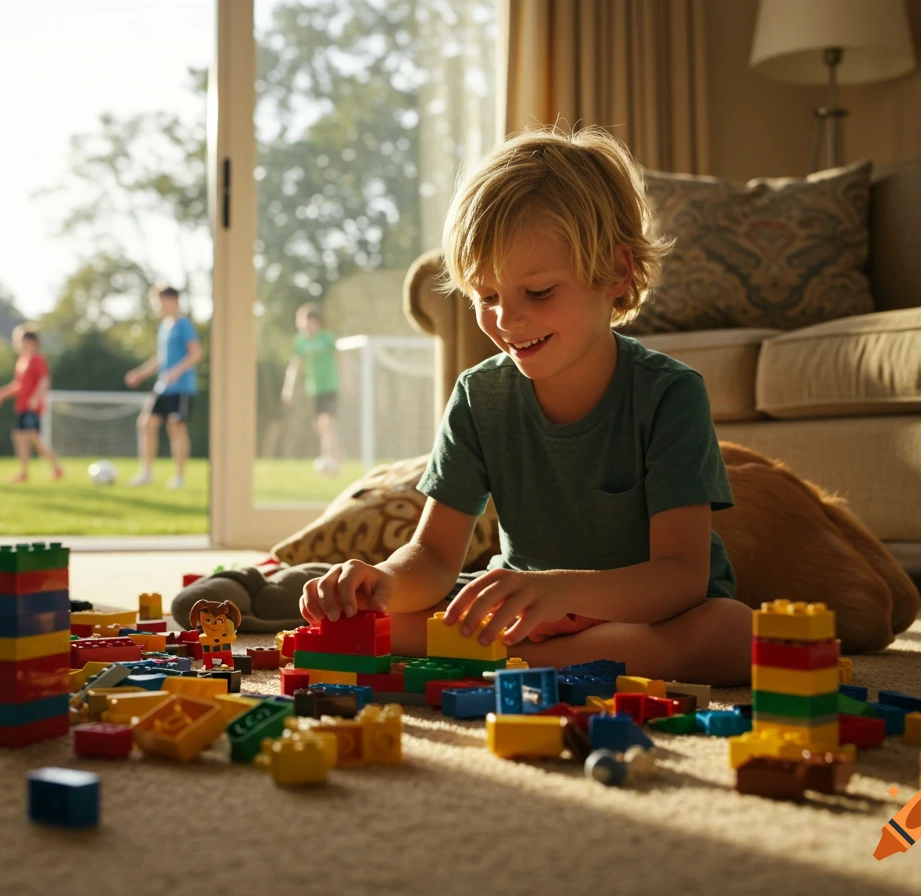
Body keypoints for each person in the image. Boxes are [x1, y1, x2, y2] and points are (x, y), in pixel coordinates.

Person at [298, 127, 753, 685]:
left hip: (647, 618)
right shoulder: (478, 396)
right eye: (487, 297)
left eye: (538, 293)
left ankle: (513, 666)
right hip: (526, 618)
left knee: (730, 634)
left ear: (616, 272)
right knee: (398, 620)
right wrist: (386, 583)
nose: (507, 321)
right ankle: (530, 661)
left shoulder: (670, 394)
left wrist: (561, 591)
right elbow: (436, 558)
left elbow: (681, 577)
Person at [124, 285, 202, 488]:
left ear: (171, 300)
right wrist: (140, 374)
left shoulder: (184, 325)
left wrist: (176, 371)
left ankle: (180, 476)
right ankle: (147, 472)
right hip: (163, 387)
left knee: (176, 429)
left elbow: (196, 353)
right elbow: (161, 357)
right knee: (146, 423)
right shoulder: (163, 327)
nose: (156, 307)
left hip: (181, 387)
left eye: (158, 302)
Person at [0, 324, 64, 483]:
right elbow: (18, 385)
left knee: (32, 437)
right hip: (22, 407)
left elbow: (44, 379)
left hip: (32, 408)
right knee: (20, 437)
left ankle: (56, 467)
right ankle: (24, 472)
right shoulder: (22, 360)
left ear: (30, 341)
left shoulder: (36, 359)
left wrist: (36, 397)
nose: (15, 343)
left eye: (18, 340)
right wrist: (1, 394)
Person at [281, 303, 345, 476]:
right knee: (322, 426)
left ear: (318, 322)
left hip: (330, 386)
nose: (307, 327)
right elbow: (295, 366)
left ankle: (327, 459)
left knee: (325, 422)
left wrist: (347, 380)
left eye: (310, 323)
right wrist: (288, 389)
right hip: (314, 389)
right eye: (303, 323)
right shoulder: (300, 342)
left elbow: (340, 359)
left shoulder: (327, 338)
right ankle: (338, 454)